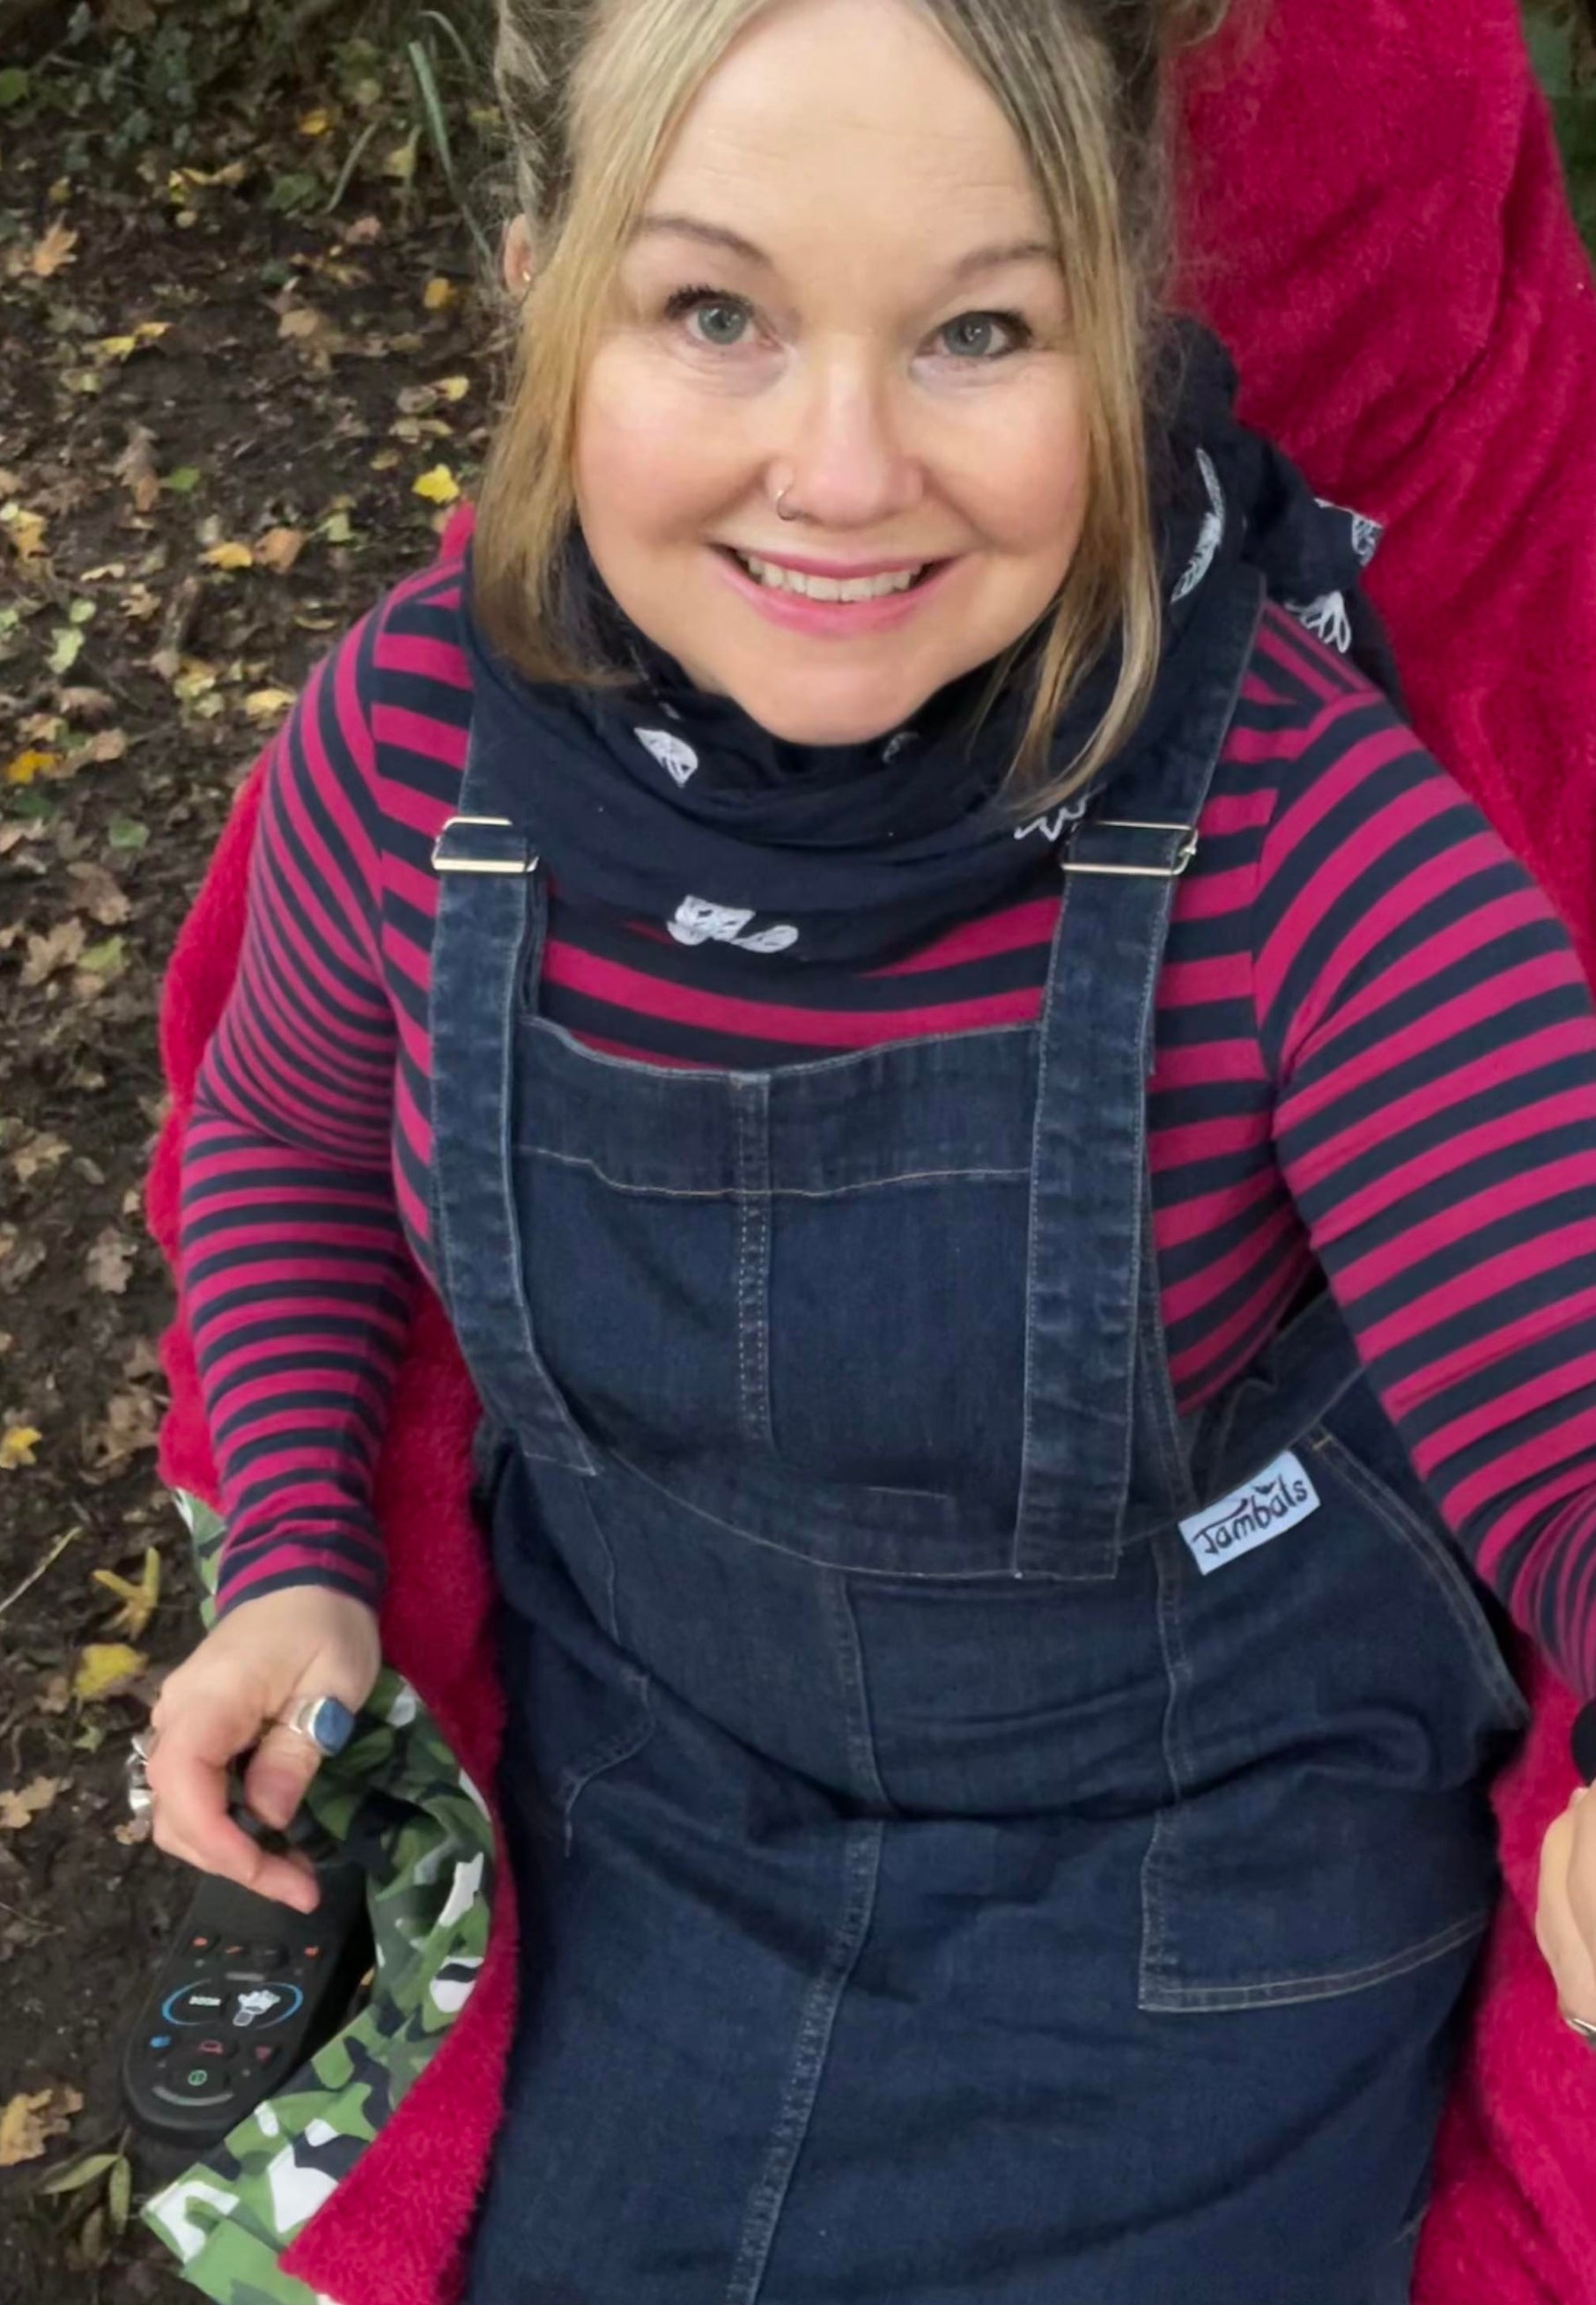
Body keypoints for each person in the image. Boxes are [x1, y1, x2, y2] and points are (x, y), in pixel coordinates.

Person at [137, 0, 1596, 2296]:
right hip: (637, 1804)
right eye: (716, 309)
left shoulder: (1311, 853)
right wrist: (298, 1549)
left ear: (1120, 322)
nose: (839, 472)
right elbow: (283, 1141)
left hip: (1190, 1888)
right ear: (541, 274)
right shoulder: (406, 741)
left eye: (976, 329)